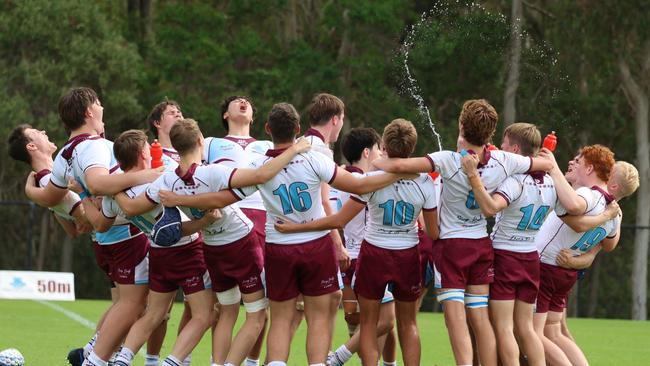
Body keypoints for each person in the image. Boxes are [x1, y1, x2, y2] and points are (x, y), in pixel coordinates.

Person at [157, 103, 411, 366]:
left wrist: (179, 198)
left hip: (278, 248)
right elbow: (359, 184)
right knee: (319, 319)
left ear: (267, 129)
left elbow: (221, 198)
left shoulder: (261, 165)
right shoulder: (315, 158)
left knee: (280, 318)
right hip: (315, 247)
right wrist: (400, 172)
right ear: (298, 129)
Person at [115, 118, 310, 366]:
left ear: (174, 146)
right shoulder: (214, 171)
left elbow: (132, 208)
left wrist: (111, 187)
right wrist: (294, 149)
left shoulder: (165, 182)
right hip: (241, 244)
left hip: (212, 249)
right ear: (200, 141)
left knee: (227, 312)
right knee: (256, 315)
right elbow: (262, 174)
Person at [372, 100, 553, 366]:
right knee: (480, 319)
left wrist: (375, 162)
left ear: (461, 125)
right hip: (480, 244)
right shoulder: (504, 160)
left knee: (455, 319)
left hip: (452, 247)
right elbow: (542, 165)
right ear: (490, 133)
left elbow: (400, 166)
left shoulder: (447, 160)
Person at [276, 119, 439, 366]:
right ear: (412, 147)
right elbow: (433, 232)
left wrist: (297, 227)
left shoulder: (371, 179)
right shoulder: (425, 182)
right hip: (407, 255)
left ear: (384, 145)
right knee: (408, 324)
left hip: (374, 254)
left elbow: (339, 220)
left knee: (369, 323)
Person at [23, 87, 160, 366]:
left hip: (106, 238)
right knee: (132, 304)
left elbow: (51, 196)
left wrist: (31, 193)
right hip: (125, 234)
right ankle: (95, 360)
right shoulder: (94, 145)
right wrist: (152, 174)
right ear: (88, 112)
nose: (102, 108)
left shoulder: (65, 154)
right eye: (98, 103)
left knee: (126, 303)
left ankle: (95, 354)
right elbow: (97, 182)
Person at [68, 129, 217, 366]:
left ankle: (123, 359)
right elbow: (173, 229)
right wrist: (204, 222)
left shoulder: (112, 197)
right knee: (204, 314)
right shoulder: (159, 181)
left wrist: (85, 193)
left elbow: (100, 224)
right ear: (141, 155)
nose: (151, 152)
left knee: (154, 314)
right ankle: (174, 362)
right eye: (147, 148)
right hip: (186, 251)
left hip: (156, 254)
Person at [534, 152, 637, 366]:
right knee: (555, 332)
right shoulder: (615, 214)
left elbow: (575, 214)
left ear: (613, 185)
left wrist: (553, 169)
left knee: (534, 334)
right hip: (565, 272)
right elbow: (609, 245)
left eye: (608, 174)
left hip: (548, 266)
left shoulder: (590, 196)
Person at [204, 96, 271, 366]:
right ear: (224, 115)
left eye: (247, 102)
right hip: (224, 223)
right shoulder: (209, 143)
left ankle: (250, 362)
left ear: (254, 117)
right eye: (236, 101)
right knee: (226, 308)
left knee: (260, 306)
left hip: (264, 223)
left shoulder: (267, 145)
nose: (243, 102)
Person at [323, 127, 397, 366]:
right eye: (378, 149)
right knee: (384, 322)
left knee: (363, 323)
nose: (381, 153)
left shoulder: (341, 180)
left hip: (349, 258)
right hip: (368, 258)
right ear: (367, 152)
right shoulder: (366, 182)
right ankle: (338, 357)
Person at [145, 99, 193, 366]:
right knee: (158, 311)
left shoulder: (195, 151)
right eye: (172, 113)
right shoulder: (152, 154)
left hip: (196, 237)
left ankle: (181, 358)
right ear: (157, 123)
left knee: (197, 305)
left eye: (180, 111)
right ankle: (151, 360)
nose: (179, 114)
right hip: (163, 239)